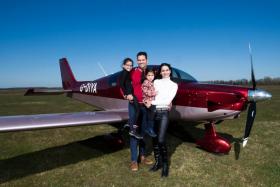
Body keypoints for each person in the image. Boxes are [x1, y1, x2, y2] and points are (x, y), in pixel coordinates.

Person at [145, 63, 178, 177]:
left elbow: (166, 100)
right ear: (160, 72)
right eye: (163, 70)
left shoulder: (174, 85)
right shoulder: (156, 82)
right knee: (154, 139)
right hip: (153, 112)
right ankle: (158, 162)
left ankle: (165, 165)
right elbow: (151, 94)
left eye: (167, 70)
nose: (165, 72)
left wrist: (152, 102)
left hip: (163, 113)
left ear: (170, 71)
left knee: (161, 140)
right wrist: (148, 100)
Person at [126, 52, 153, 171]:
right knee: (133, 131)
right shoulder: (132, 71)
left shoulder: (150, 73)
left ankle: (142, 156)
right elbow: (124, 83)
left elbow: (154, 87)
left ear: (147, 60)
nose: (141, 61)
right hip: (134, 106)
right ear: (137, 61)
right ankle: (133, 160)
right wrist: (126, 94)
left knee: (143, 132)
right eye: (139, 60)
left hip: (145, 106)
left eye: (143, 59)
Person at [119, 58, 143, 139]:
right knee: (138, 110)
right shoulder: (124, 73)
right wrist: (126, 94)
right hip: (130, 94)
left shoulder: (127, 73)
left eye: (131, 65)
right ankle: (132, 130)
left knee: (137, 110)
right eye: (127, 65)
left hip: (131, 94)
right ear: (123, 65)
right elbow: (121, 84)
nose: (130, 67)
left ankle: (129, 123)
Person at [142, 69, 157, 137]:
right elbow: (145, 92)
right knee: (151, 115)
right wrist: (154, 93)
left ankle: (149, 128)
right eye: (149, 75)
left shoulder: (153, 83)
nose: (151, 77)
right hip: (146, 100)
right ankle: (149, 129)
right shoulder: (146, 82)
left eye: (152, 75)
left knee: (151, 116)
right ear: (146, 76)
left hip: (151, 101)